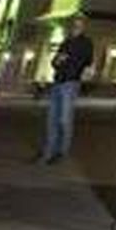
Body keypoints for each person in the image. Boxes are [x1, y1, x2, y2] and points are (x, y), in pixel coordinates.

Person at [39, 13, 93, 164]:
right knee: (52, 119)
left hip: (71, 83)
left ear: (83, 26)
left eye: (79, 24)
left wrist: (84, 74)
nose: (76, 27)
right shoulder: (66, 42)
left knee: (65, 119)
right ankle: (48, 152)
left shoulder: (86, 43)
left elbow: (88, 64)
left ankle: (61, 153)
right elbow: (55, 62)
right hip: (58, 82)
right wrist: (57, 60)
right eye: (74, 24)